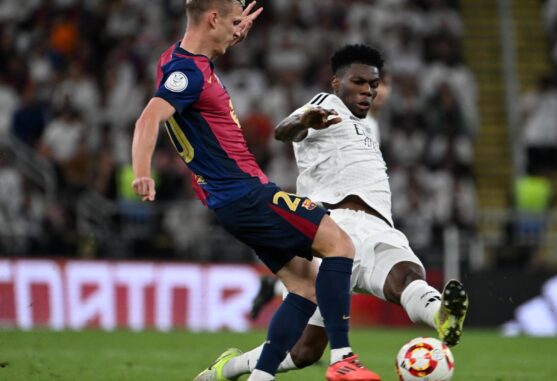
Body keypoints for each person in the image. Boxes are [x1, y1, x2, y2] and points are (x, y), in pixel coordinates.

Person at [130, 2, 379, 381]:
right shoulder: (188, 73)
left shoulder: (176, 59)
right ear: (212, 18)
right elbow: (149, 117)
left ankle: (260, 376)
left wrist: (226, 36)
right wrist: (141, 172)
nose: (237, 30)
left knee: (305, 286)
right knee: (340, 244)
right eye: (231, 22)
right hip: (246, 193)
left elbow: (195, 46)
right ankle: (343, 360)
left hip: (231, 201)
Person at [218, 44, 470, 380]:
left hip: (380, 227)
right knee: (306, 350)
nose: (368, 90)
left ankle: (441, 314)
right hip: (332, 230)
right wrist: (303, 119)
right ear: (336, 83)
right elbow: (285, 130)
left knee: (408, 276)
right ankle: (229, 367)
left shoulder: (370, 128)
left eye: (374, 84)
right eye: (359, 82)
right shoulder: (326, 105)